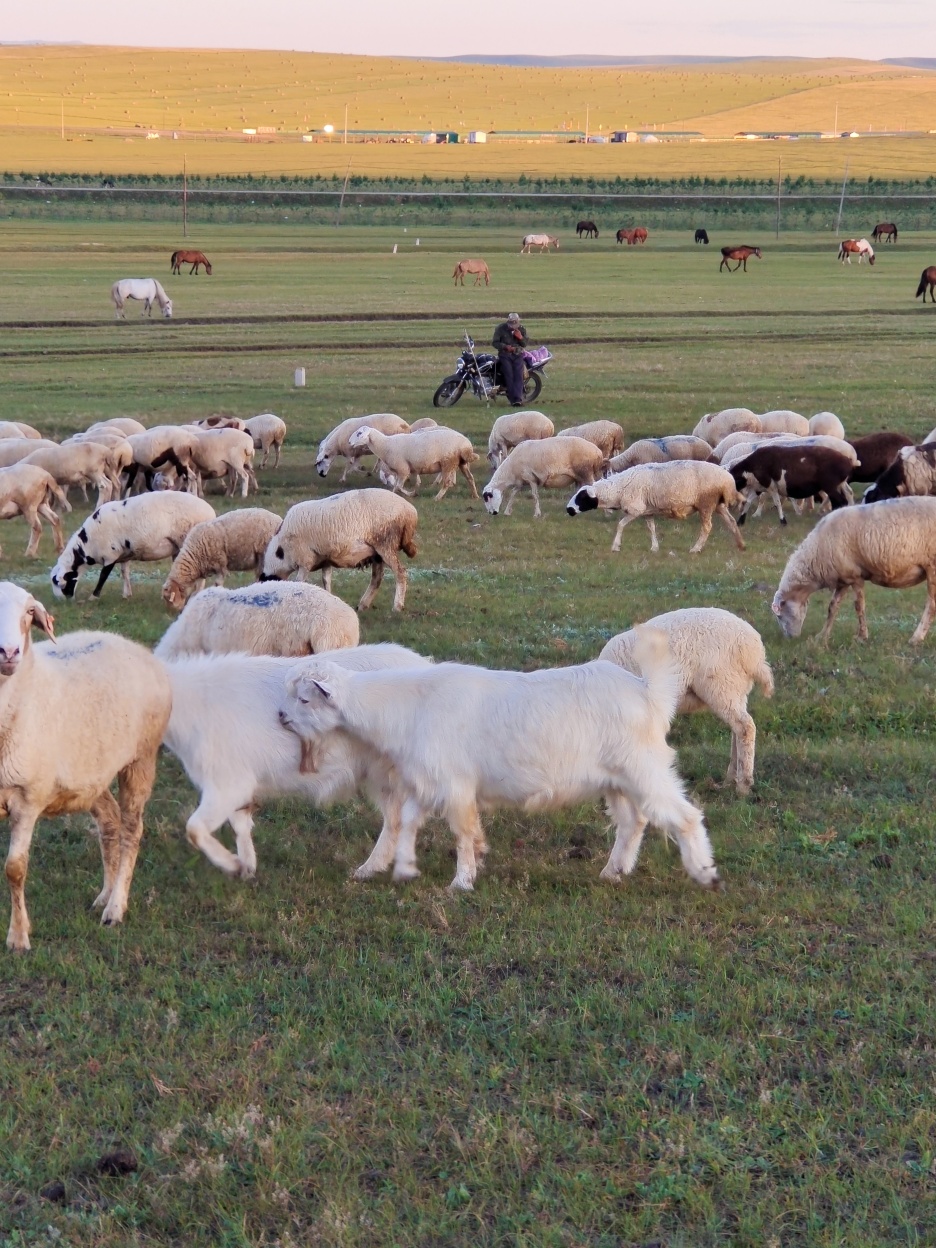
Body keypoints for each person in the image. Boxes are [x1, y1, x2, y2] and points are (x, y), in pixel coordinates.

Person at [492, 312, 529, 406]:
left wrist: (520, 337)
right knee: (509, 375)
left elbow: (524, 344)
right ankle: (513, 400)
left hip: (517, 354)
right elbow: (495, 343)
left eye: (515, 324)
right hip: (505, 355)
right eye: (511, 324)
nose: (513, 326)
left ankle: (518, 399)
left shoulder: (521, 329)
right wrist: (505, 347)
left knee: (518, 376)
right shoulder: (500, 328)